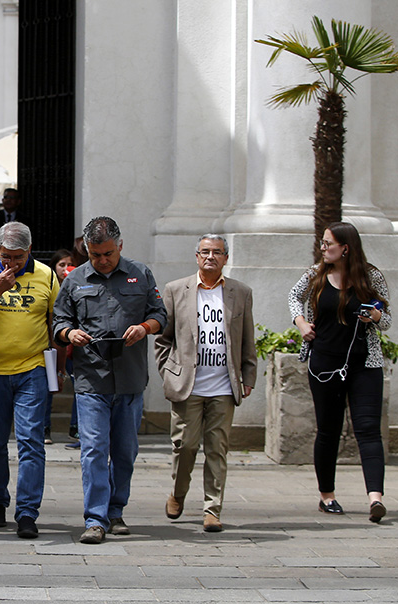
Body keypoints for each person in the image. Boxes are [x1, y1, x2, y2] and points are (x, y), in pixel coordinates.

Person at [53, 216, 166, 545]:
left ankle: (116, 510)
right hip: (92, 379)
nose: (102, 260)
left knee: (125, 451)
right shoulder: (75, 280)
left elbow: (160, 314)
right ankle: (95, 518)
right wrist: (69, 333)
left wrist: (144, 328)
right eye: (95, 255)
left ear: (120, 246)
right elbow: (59, 320)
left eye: (108, 254)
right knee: (93, 450)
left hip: (130, 379)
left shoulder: (140, 274)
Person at [289, 222, 391, 523]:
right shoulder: (316, 274)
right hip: (324, 364)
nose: (322, 248)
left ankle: (375, 499)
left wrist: (376, 315)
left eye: (328, 243)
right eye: (322, 243)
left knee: (368, 429)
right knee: (328, 430)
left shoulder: (371, 276)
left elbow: (387, 321)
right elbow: (293, 296)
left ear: (345, 248)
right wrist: (300, 323)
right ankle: (327, 496)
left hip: (364, 364)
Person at [155, 234, 256, 533]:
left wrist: (248, 375)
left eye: (217, 252)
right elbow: (163, 339)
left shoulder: (240, 292)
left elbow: (247, 338)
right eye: (205, 252)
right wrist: (168, 372)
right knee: (185, 446)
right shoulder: (176, 289)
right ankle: (178, 493)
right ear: (197, 256)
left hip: (223, 385)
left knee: (217, 449)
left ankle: (212, 509)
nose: (211, 257)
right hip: (188, 385)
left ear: (226, 258)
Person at [0, 222, 60, 539]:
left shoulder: (46, 275)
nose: (12, 264)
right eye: (6, 256)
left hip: (32, 370)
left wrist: (56, 367)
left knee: (31, 442)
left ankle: (28, 512)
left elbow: (55, 324)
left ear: (29, 251)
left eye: (19, 258)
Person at [49, 249, 80, 449]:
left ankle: (77, 428)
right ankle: (44, 428)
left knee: (81, 387)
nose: (66, 269)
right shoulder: (48, 286)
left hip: (73, 348)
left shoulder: (79, 286)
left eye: (69, 264)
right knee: (48, 385)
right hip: (53, 345)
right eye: (61, 265)